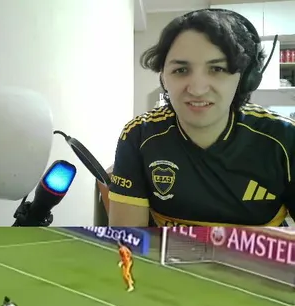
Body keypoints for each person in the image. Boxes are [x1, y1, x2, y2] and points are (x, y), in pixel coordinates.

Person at [107, 9, 295, 226]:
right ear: (163, 78)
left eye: (217, 69)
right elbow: (129, 240)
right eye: (181, 70)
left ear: (245, 79)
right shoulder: (139, 135)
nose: (197, 89)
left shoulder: (285, 139)